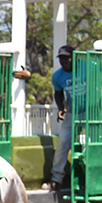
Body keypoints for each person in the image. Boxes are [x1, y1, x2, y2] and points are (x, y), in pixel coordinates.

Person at [43, 45, 77, 192]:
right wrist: (61, 108)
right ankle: (56, 180)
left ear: (74, 57)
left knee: (92, 146)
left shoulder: (88, 66)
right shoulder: (58, 76)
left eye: (66, 57)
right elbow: (58, 93)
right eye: (61, 58)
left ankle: (89, 180)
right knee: (62, 144)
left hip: (93, 112)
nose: (64, 61)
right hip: (73, 112)